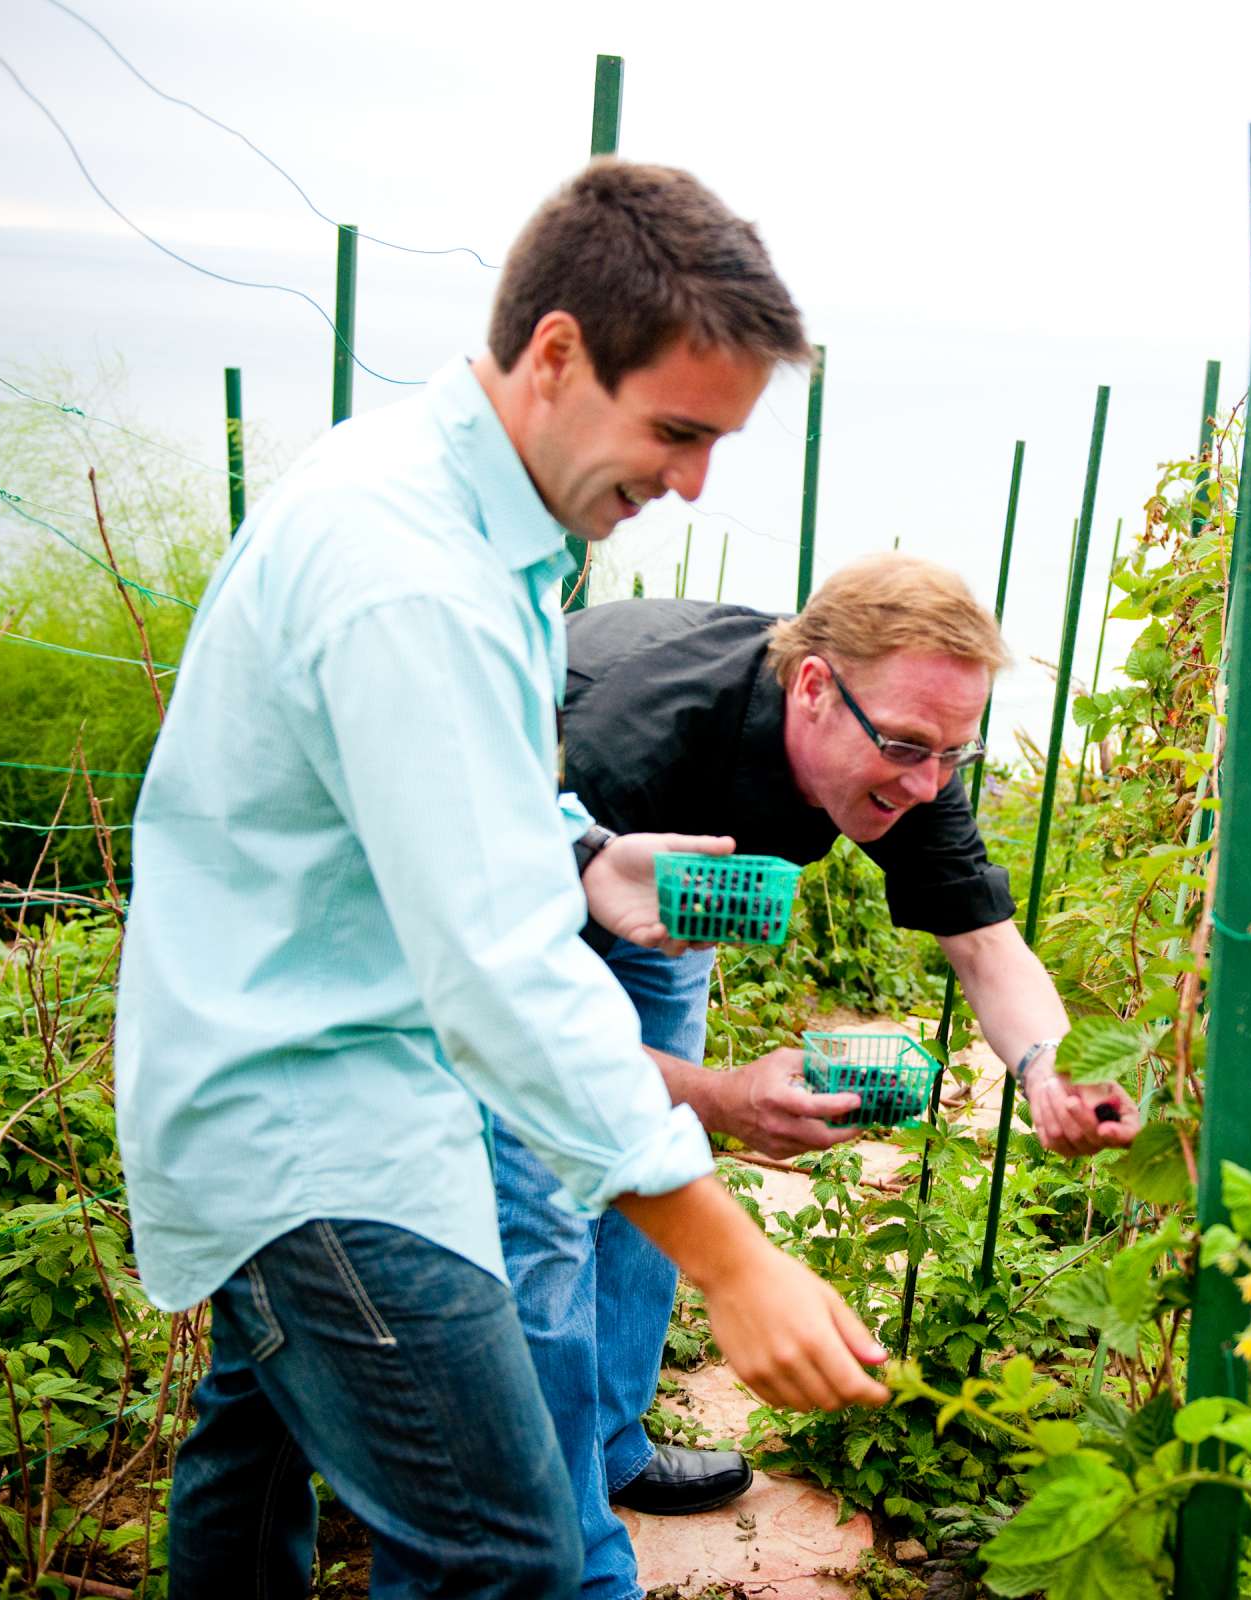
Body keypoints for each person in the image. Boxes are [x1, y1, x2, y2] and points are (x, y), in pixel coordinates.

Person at [115, 160, 886, 1599]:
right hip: (318, 1134)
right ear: (555, 356)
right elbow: (498, 976)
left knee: (255, 1467)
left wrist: (584, 858)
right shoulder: (412, 573)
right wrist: (730, 1259)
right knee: (511, 1559)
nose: (691, 481)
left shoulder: (456, 511)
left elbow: (433, 802)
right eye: (675, 429)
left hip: (280, 1071)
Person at [487, 552, 1144, 1600]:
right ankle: (567, 1554)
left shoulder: (905, 742)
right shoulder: (628, 734)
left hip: (672, 888)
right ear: (810, 687)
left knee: (668, 1152)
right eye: (906, 747)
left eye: (952, 752)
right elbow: (515, 1022)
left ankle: (611, 1441)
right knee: (548, 1203)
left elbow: (986, 945)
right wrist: (719, 1092)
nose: (928, 782)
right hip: (530, 872)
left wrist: (1046, 1068)